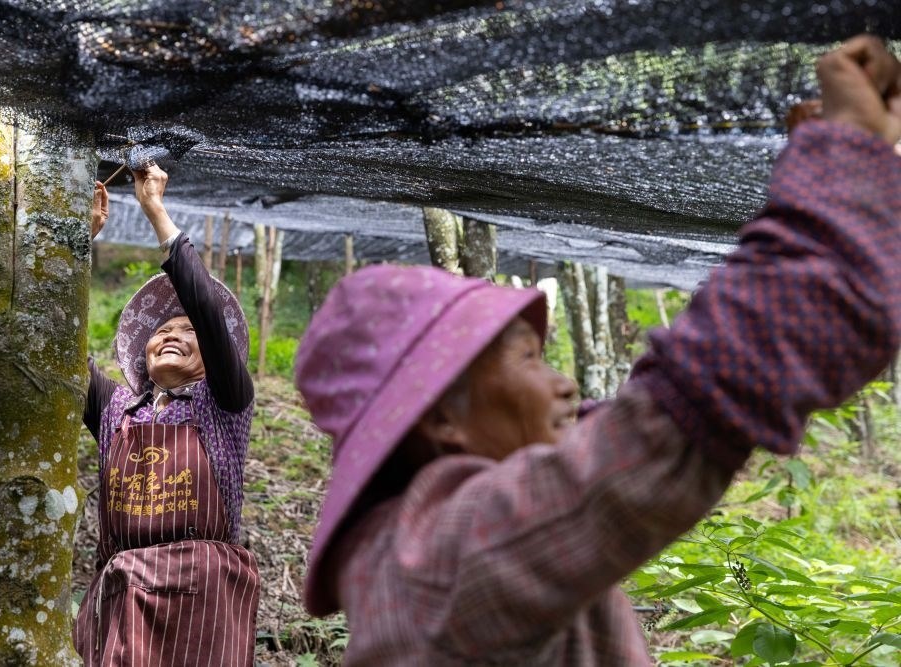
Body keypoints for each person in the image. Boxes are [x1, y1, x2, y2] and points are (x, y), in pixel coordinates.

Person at [293, 35, 901, 665]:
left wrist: (836, 178)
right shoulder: (440, 565)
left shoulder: (422, 550)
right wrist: (845, 152)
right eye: (528, 359)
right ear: (443, 417)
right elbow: (690, 407)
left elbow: (656, 411)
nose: (564, 385)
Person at [74, 165, 260, 666]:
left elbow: (207, 310)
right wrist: (79, 245)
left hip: (202, 596)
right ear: (145, 351)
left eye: (190, 330)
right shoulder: (115, 408)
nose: (174, 334)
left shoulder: (223, 404)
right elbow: (59, 346)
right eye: (163, 330)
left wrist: (155, 209)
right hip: (123, 596)